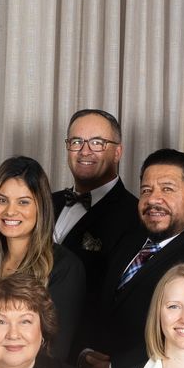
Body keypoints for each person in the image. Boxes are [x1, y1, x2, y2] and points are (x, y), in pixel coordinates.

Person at [80, 150, 184, 368]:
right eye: (146, 190)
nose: (153, 199)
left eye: (167, 189)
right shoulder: (131, 240)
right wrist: (85, 354)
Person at [0, 156, 86, 355]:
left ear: (41, 208)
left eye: (23, 202)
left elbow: (55, 353)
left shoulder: (65, 267)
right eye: (2, 200)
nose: (10, 211)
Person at [52, 108, 145, 301]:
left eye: (97, 143)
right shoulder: (45, 202)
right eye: (76, 142)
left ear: (117, 152)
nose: (85, 151)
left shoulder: (135, 216)